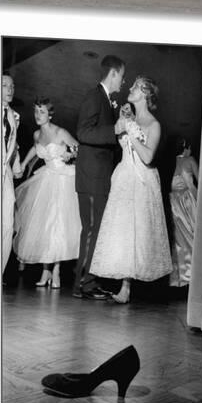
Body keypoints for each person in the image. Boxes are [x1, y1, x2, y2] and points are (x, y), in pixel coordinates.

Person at [90, 77, 173, 303]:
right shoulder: (130, 118)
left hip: (143, 180)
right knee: (123, 231)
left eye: (135, 87)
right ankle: (124, 288)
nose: (130, 88)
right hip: (124, 176)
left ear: (145, 94)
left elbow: (147, 156)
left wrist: (132, 132)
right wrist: (124, 122)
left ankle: (130, 288)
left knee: (138, 231)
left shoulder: (154, 125)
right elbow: (122, 143)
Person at [73, 55, 126, 300]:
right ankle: (82, 284)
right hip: (91, 177)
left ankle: (90, 282)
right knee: (91, 229)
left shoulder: (106, 99)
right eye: (122, 76)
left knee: (95, 230)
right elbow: (83, 132)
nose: (123, 82)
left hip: (99, 178)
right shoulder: (94, 96)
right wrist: (114, 130)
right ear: (113, 74)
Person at [13, 98, 81, 288]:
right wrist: (25, 163)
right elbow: (36, 149)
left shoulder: (60, 132)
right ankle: (46, 270)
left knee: (57, 224)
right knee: (43, 224)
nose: (38, 115)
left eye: (42, 112)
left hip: (62, 179)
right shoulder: (36, 134)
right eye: (36, 111)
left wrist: (70, 154)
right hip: (46, 178)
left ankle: (57, 270)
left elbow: (79, 149)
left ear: (50, 114)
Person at [169, 138, 199, 287]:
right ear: (187, 148)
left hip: (173, 202)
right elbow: (201, 180)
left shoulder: (171, 162)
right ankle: (194, 278)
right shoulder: (190, 159)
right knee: (193, 239)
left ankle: (180, 279)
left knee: (179, 242)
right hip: (187, 202)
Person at [2, 73, 22, 273]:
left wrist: (16, 168)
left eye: (12, 86)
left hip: (5, 172)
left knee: (8, 222)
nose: (10, 89)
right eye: (4, 85)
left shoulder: (14, 116)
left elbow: (13, 146)